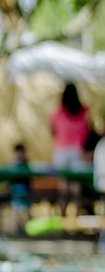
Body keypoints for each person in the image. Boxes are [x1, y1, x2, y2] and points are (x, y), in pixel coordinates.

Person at [51, 83, 90, 214]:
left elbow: (53, 130)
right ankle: (76, 216)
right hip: (78, 152)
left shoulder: (59, 112)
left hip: (61, 151)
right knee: (76, 186)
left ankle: (62, 215)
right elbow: (87, 132)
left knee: (63, 186)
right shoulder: (84, 112)